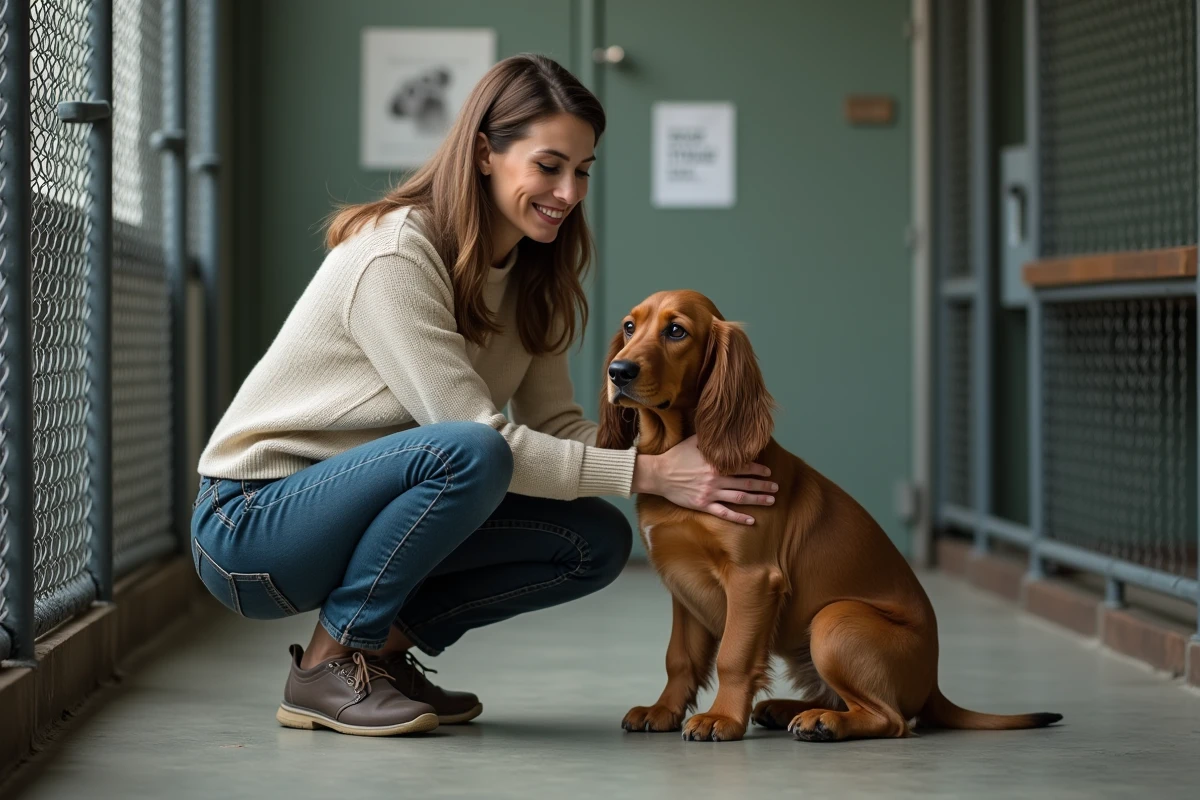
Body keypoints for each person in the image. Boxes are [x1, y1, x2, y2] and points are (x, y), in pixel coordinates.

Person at [191, 53, 778, 737]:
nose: (570, 191)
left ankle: (375, 655)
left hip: (357, 511)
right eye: (549, 166)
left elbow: (556, 425)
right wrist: (648, 472)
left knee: (592, 539)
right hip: (252, 526)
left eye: (584, 171)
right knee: (470, 451)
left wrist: (693, 452)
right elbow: (476, 439)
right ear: (483, 154)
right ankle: (325, 665)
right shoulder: (394, 255)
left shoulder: (536, 275)